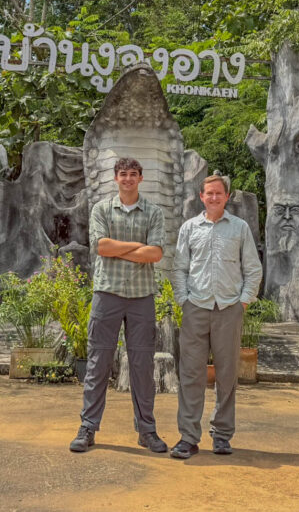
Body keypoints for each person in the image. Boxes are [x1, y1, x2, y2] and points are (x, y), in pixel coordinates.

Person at [70, 157, 168, 454]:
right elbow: (101, 247)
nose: (127, 179)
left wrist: (119, 248)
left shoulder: (153, 212)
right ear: (116, 178)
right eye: (123, 174)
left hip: (141, 297)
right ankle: (88, 427)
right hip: (107, 294)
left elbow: (155, 254)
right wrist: (137, 248)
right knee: (98, 363)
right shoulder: (102, 209)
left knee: (141, 365)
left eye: (133, 174)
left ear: (141, 178)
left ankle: (147, 430)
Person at [168, 174, 263, 458]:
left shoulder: (239, 228)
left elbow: (253, 269)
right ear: (201, 196)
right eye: (209, 193)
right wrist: (183, 301)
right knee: (191, 374)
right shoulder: (189, 228)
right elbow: (179, 268)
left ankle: (221, 435)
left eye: (218, 193)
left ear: (226, 196)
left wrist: (243, 302)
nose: (213, 198)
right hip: (195, 308)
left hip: (228, 310)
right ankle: (188, 437)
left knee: (227, 374)